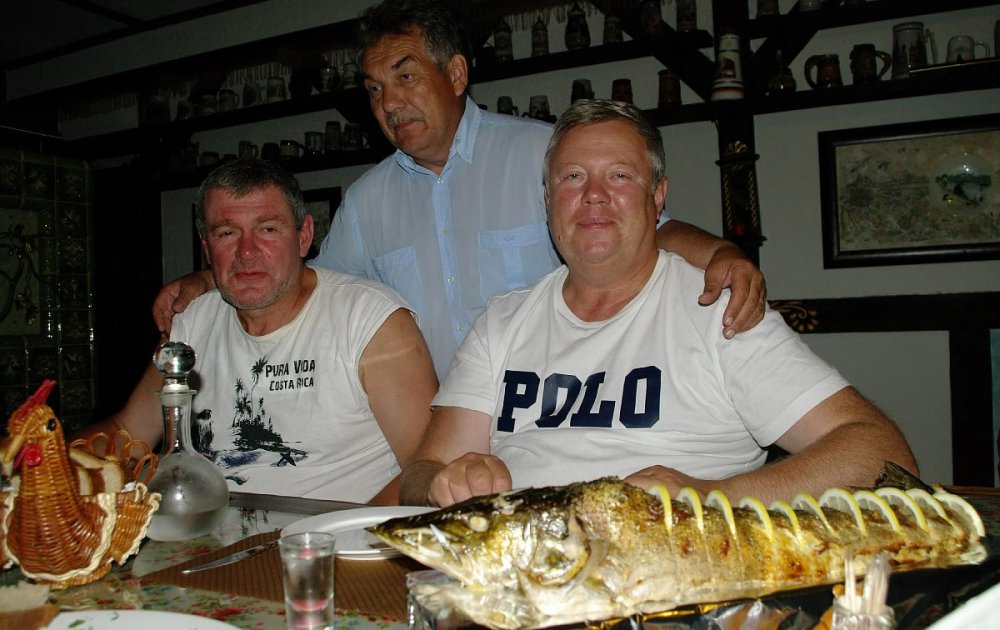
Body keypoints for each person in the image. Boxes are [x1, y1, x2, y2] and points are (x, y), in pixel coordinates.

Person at [153, 0, 767, 379]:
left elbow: (649, 231)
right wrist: (206, 280)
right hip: (435, 430)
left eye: (405, 77)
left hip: (556, 415)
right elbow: (306, 288)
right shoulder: (368, 199)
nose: (389, 103)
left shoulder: (542, 153)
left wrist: (723, 255)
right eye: (373, 89)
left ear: (455, 73)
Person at [399, 99, 917, 508]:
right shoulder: (502, 321)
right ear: (548, 200)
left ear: (658, 196)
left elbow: (881, 454)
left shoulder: (716, 310)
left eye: (620, 176)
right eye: (572, 176)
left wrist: (711, 497)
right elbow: (420, 474)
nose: (594, 194)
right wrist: (449, 481)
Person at [83, 159, 438, 504]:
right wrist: (58, 458)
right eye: (227, 233)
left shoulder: (371, 320)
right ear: (206, 248)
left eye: (268, 229)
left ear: (304, 236)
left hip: (334, 538)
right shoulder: (191, 323)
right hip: (209, 534)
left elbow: (427, 468)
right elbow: (127, 435)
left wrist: (345, 535)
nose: (247, 252)